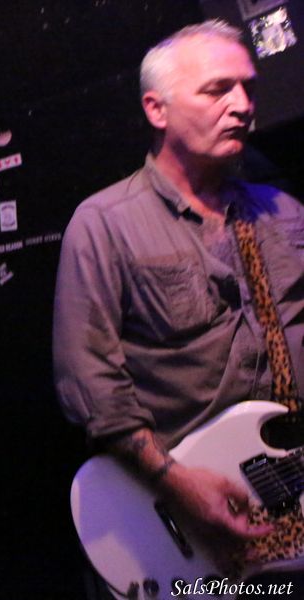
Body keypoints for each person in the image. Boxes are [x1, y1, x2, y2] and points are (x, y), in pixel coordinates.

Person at [53, 18, 304, 577]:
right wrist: (177, 482)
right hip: (185, 522)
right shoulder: (104, 224)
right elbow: (89, 384)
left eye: (248, 88)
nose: (242, 105)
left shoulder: (285, 213)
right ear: (157, 110)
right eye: (218, 90)